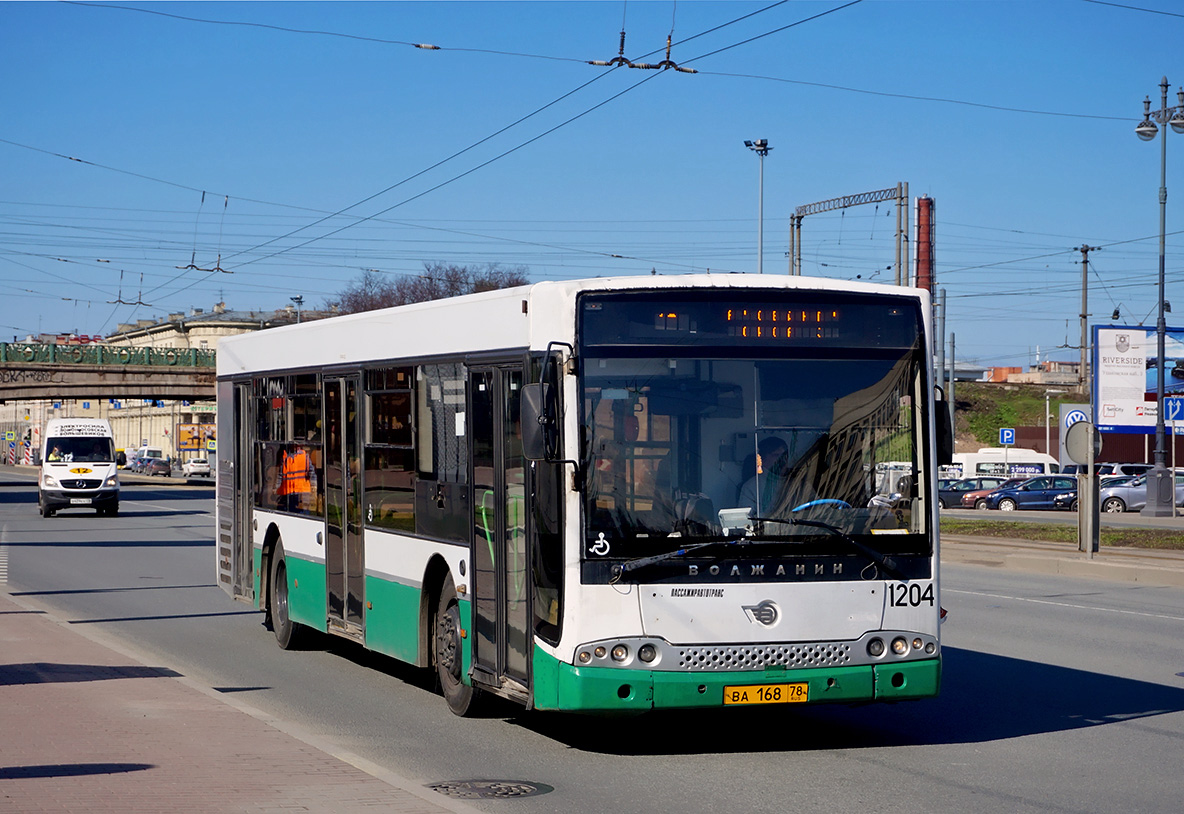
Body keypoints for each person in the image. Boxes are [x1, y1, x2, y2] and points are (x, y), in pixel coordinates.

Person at [738, 436, 817, 517]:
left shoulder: (799, 484)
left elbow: (819, 509)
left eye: (784, 455)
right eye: (776, 455)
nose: (782, 460)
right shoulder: (752, 487)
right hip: (765, 529)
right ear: (763, 460)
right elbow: (746, 519)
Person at [276, 444, 317, 513]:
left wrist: (314, 486)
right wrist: (276, 488)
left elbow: (311, 472)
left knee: (303, 516)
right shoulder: (285, 457)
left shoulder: (304, 456)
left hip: (301, 494)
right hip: (288, 493)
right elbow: (281, 474)